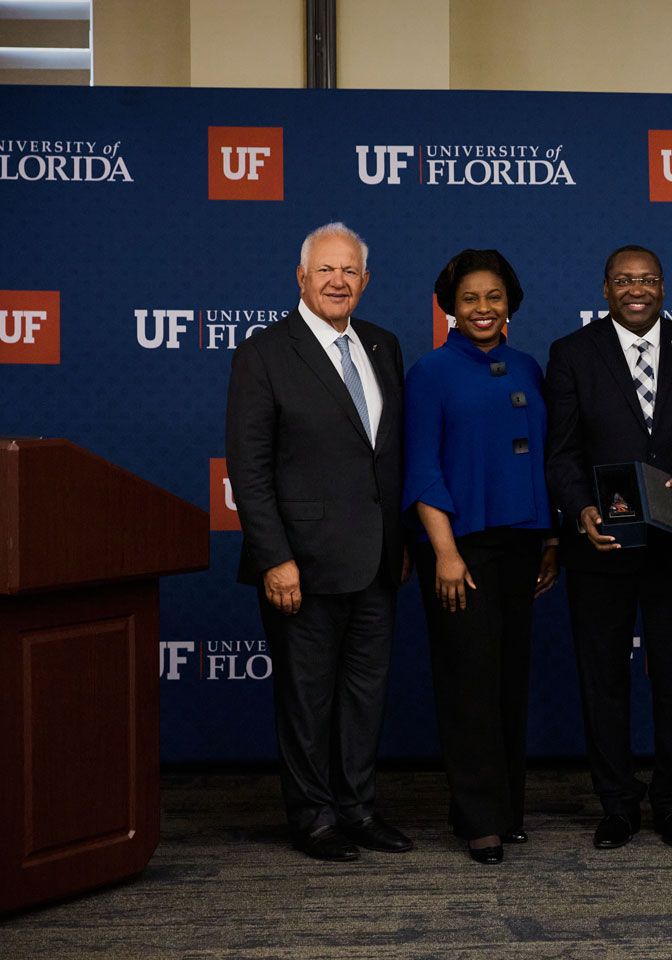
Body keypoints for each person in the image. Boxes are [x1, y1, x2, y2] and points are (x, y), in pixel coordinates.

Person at [225, 221, 411, 862]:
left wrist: (403, 538)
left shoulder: (384, 346)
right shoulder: (264, 353)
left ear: (365, 280)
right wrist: (276, 557)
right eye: (326, 270)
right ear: (301, 278)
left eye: (350, 271)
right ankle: (314, 818)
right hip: (300, 563)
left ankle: (357, 808)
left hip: (379, 559)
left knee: (365, 695)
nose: (338, 280)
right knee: (307, 698)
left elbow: (388, 455)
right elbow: (248, 469)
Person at [545, 245, 672, 849]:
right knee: (604, 678)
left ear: (664, 286)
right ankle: (617, 804)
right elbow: (563, 450)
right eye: (624, 280)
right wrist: (579, 509)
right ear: (605, 288)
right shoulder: (572, 354)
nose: (636, 289)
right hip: (602, 545)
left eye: (647, 279)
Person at [403, 249, 559, 865]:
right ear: (450, 305)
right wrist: (442, 550)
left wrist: (551, 540)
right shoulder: (430, 371)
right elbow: (421, 466)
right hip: (458, 547)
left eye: (494, 297)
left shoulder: (527, 366)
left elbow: (545, 455)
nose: (483, 308)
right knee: (468, 681)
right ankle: (478, 820)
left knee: (508, 680)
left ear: (510, 303)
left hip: (524, 543)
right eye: (470, 298)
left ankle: (507, 809)